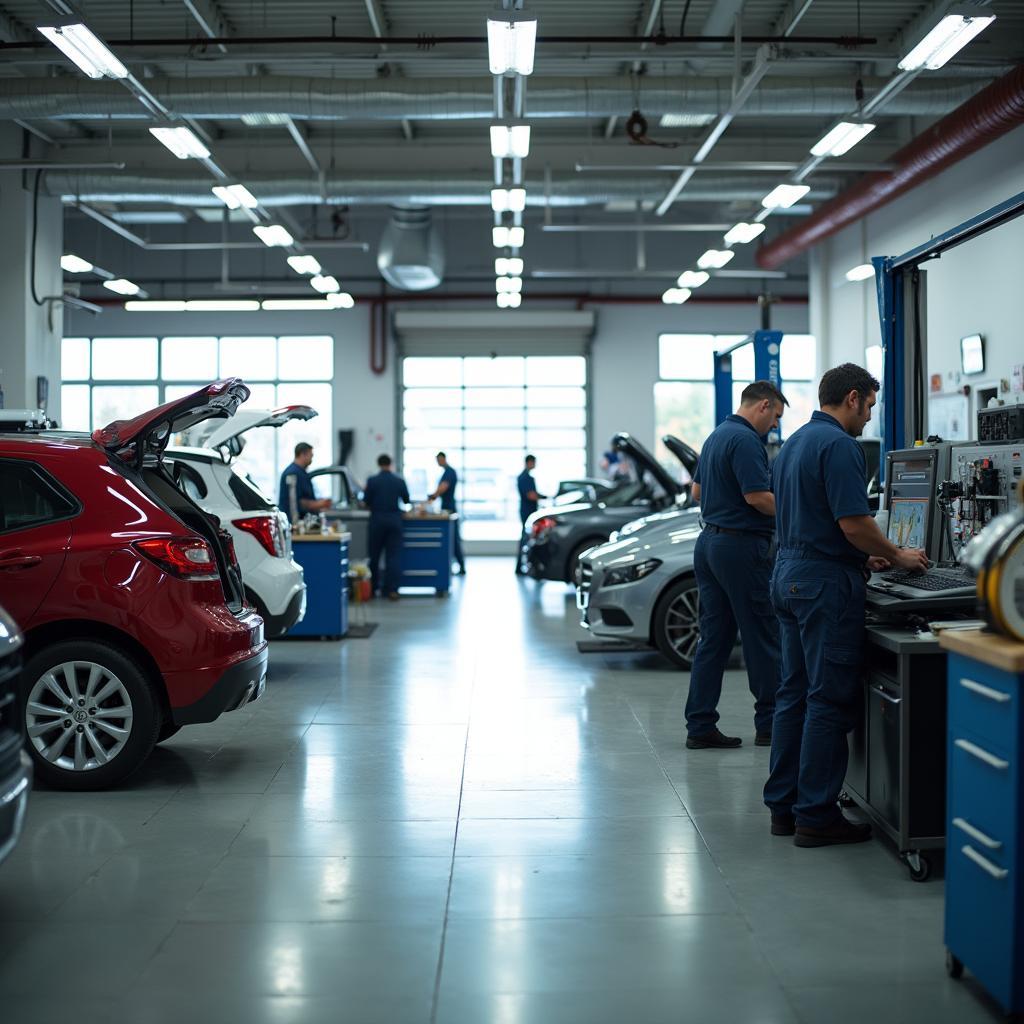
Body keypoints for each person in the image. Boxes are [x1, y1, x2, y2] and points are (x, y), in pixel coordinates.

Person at [764, 363, 928, 847]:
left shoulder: (793, 443)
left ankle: (785, 807)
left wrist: (867, 555)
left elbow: (820, 519)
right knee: (828, 700)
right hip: (822, 585)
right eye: (871, 406)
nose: (870, 418)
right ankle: (816, 815)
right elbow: (853, 522)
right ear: (853, 398)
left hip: (789, 576)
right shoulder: (839, 445)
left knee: (793, 694)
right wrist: (897, 554)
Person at [685, 381, 788, 750]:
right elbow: (757, 497)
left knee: (713, 638)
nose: (773, 426)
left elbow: (696, 491)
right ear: (763, 406)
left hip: (709, 543)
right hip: (740, 547)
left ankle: (699, 725)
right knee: (762, 636)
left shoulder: (716, 435)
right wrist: (798, 513)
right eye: (775, 417)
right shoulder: (746, 440)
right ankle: (771, 724)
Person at [362, 454, 410, 601]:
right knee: (393, 556)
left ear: (378, 464)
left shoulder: (372, 481)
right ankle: (392, 590)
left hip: (377, 522)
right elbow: (407, 500)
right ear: (391, 464)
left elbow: (366, 502)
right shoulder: (399, 481)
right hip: (394, 522)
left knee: (374, 556)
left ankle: (373, 589)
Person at [428, 451, 465, 575]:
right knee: (452, 539)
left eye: (439, 460)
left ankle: (461, 566)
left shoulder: (449, 472)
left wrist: (432, 497)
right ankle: (457, 565)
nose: (438, 463)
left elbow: (443, 487)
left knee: (453, 539)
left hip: (450, 509)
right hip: (447, 507)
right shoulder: (446, 472)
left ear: (443, 459)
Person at [278, 442, 331, 522]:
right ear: (303, 454)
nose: (311, 460)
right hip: (295, 524)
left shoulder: (302, 473)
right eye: (311, 456)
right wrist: (319, 504)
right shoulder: (292, 474)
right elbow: (294, 503)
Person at [516, 454, 546, 575]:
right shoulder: (525, 478)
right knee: (526, 539)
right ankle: (520, 566)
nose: (535, 465)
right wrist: (543, 497)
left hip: (528, 511)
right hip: (527, 512)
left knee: (527, 538)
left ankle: (525, 565)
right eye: (534, 462)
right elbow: (531, 495)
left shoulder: (526, 477)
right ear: (529, 462)